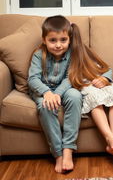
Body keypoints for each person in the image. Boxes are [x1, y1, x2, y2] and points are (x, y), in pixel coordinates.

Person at [28, 15, 84, 173]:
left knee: (75, 96)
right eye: (53, 40)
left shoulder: (72, 54)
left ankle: (68, 150)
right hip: (42, 90)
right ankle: (58, 154)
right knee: (46, 106)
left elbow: (70, 78)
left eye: (63, 40)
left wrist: (57, 94)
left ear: (69, 39)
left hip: (64, 89)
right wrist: (47, 93)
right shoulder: (39, 54)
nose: (58, 45)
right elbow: (32, 79)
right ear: (44, 39)